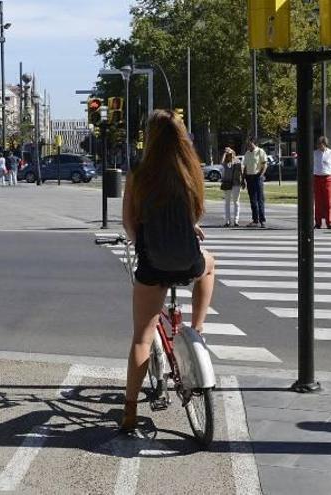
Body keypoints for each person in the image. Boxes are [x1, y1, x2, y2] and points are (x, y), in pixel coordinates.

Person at [120, 109, 216, 434]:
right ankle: (198, 329)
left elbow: (129, 222)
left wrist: (140, 242)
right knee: (209, 265)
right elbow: (196, 212)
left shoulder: (139, 172)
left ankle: (130, 411)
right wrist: (190, 227)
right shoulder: (190, 170)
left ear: (150, 138)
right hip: (188, 259)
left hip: (153, 262)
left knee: (141, 339)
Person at [312, 136, 331, 229]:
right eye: (318, 144)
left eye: (321, 144)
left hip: (328, 178)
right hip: (317, 178)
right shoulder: (314, 153)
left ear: (325, 144)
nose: (319, 146)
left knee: (328, 201)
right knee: (318, 201)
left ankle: (329, 222)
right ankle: (318, 222)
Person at [242, 136, 268, 228]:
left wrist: (261, 175)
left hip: (257, 176)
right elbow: (244, 167)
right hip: (249, 177)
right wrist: (243, 179)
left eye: (249, 143)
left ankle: (262, 220)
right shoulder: (247, 153)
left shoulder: (260, 151)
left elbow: (264, 165)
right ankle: (255, 220)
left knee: (260, 199)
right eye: (247, 144)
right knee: (252, 200)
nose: (248, 145)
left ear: (254, 143)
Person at [220, 147, 244, 227]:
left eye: (230, 154)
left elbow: (242, 172)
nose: (229, 156)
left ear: (233, 154)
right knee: (227, 203)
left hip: (236, 184)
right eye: (228, 155)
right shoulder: (226, 164)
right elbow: (221, 162)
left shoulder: (238, 162)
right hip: (227, 184)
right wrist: (225, 153)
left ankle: (236, 220)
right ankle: (227, 221)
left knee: (236, 202)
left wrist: (243, 182)